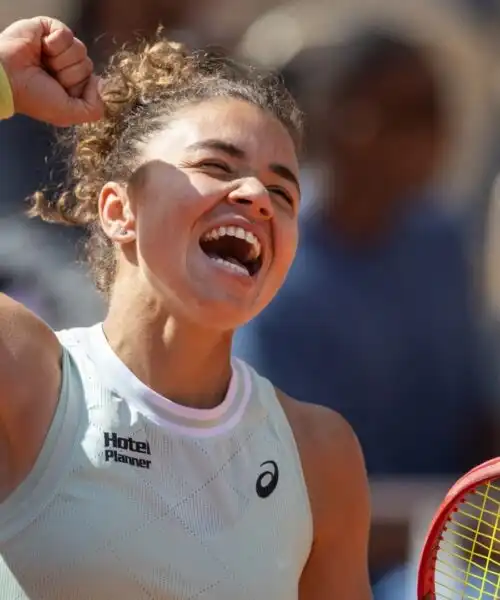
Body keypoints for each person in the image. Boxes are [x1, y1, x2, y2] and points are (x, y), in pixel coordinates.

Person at [0, 16, 371, 600]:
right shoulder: (23, 373)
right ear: (119, 211)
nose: (255, 197)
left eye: (282, 193)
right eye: (216, 167)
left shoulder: (321, 455)